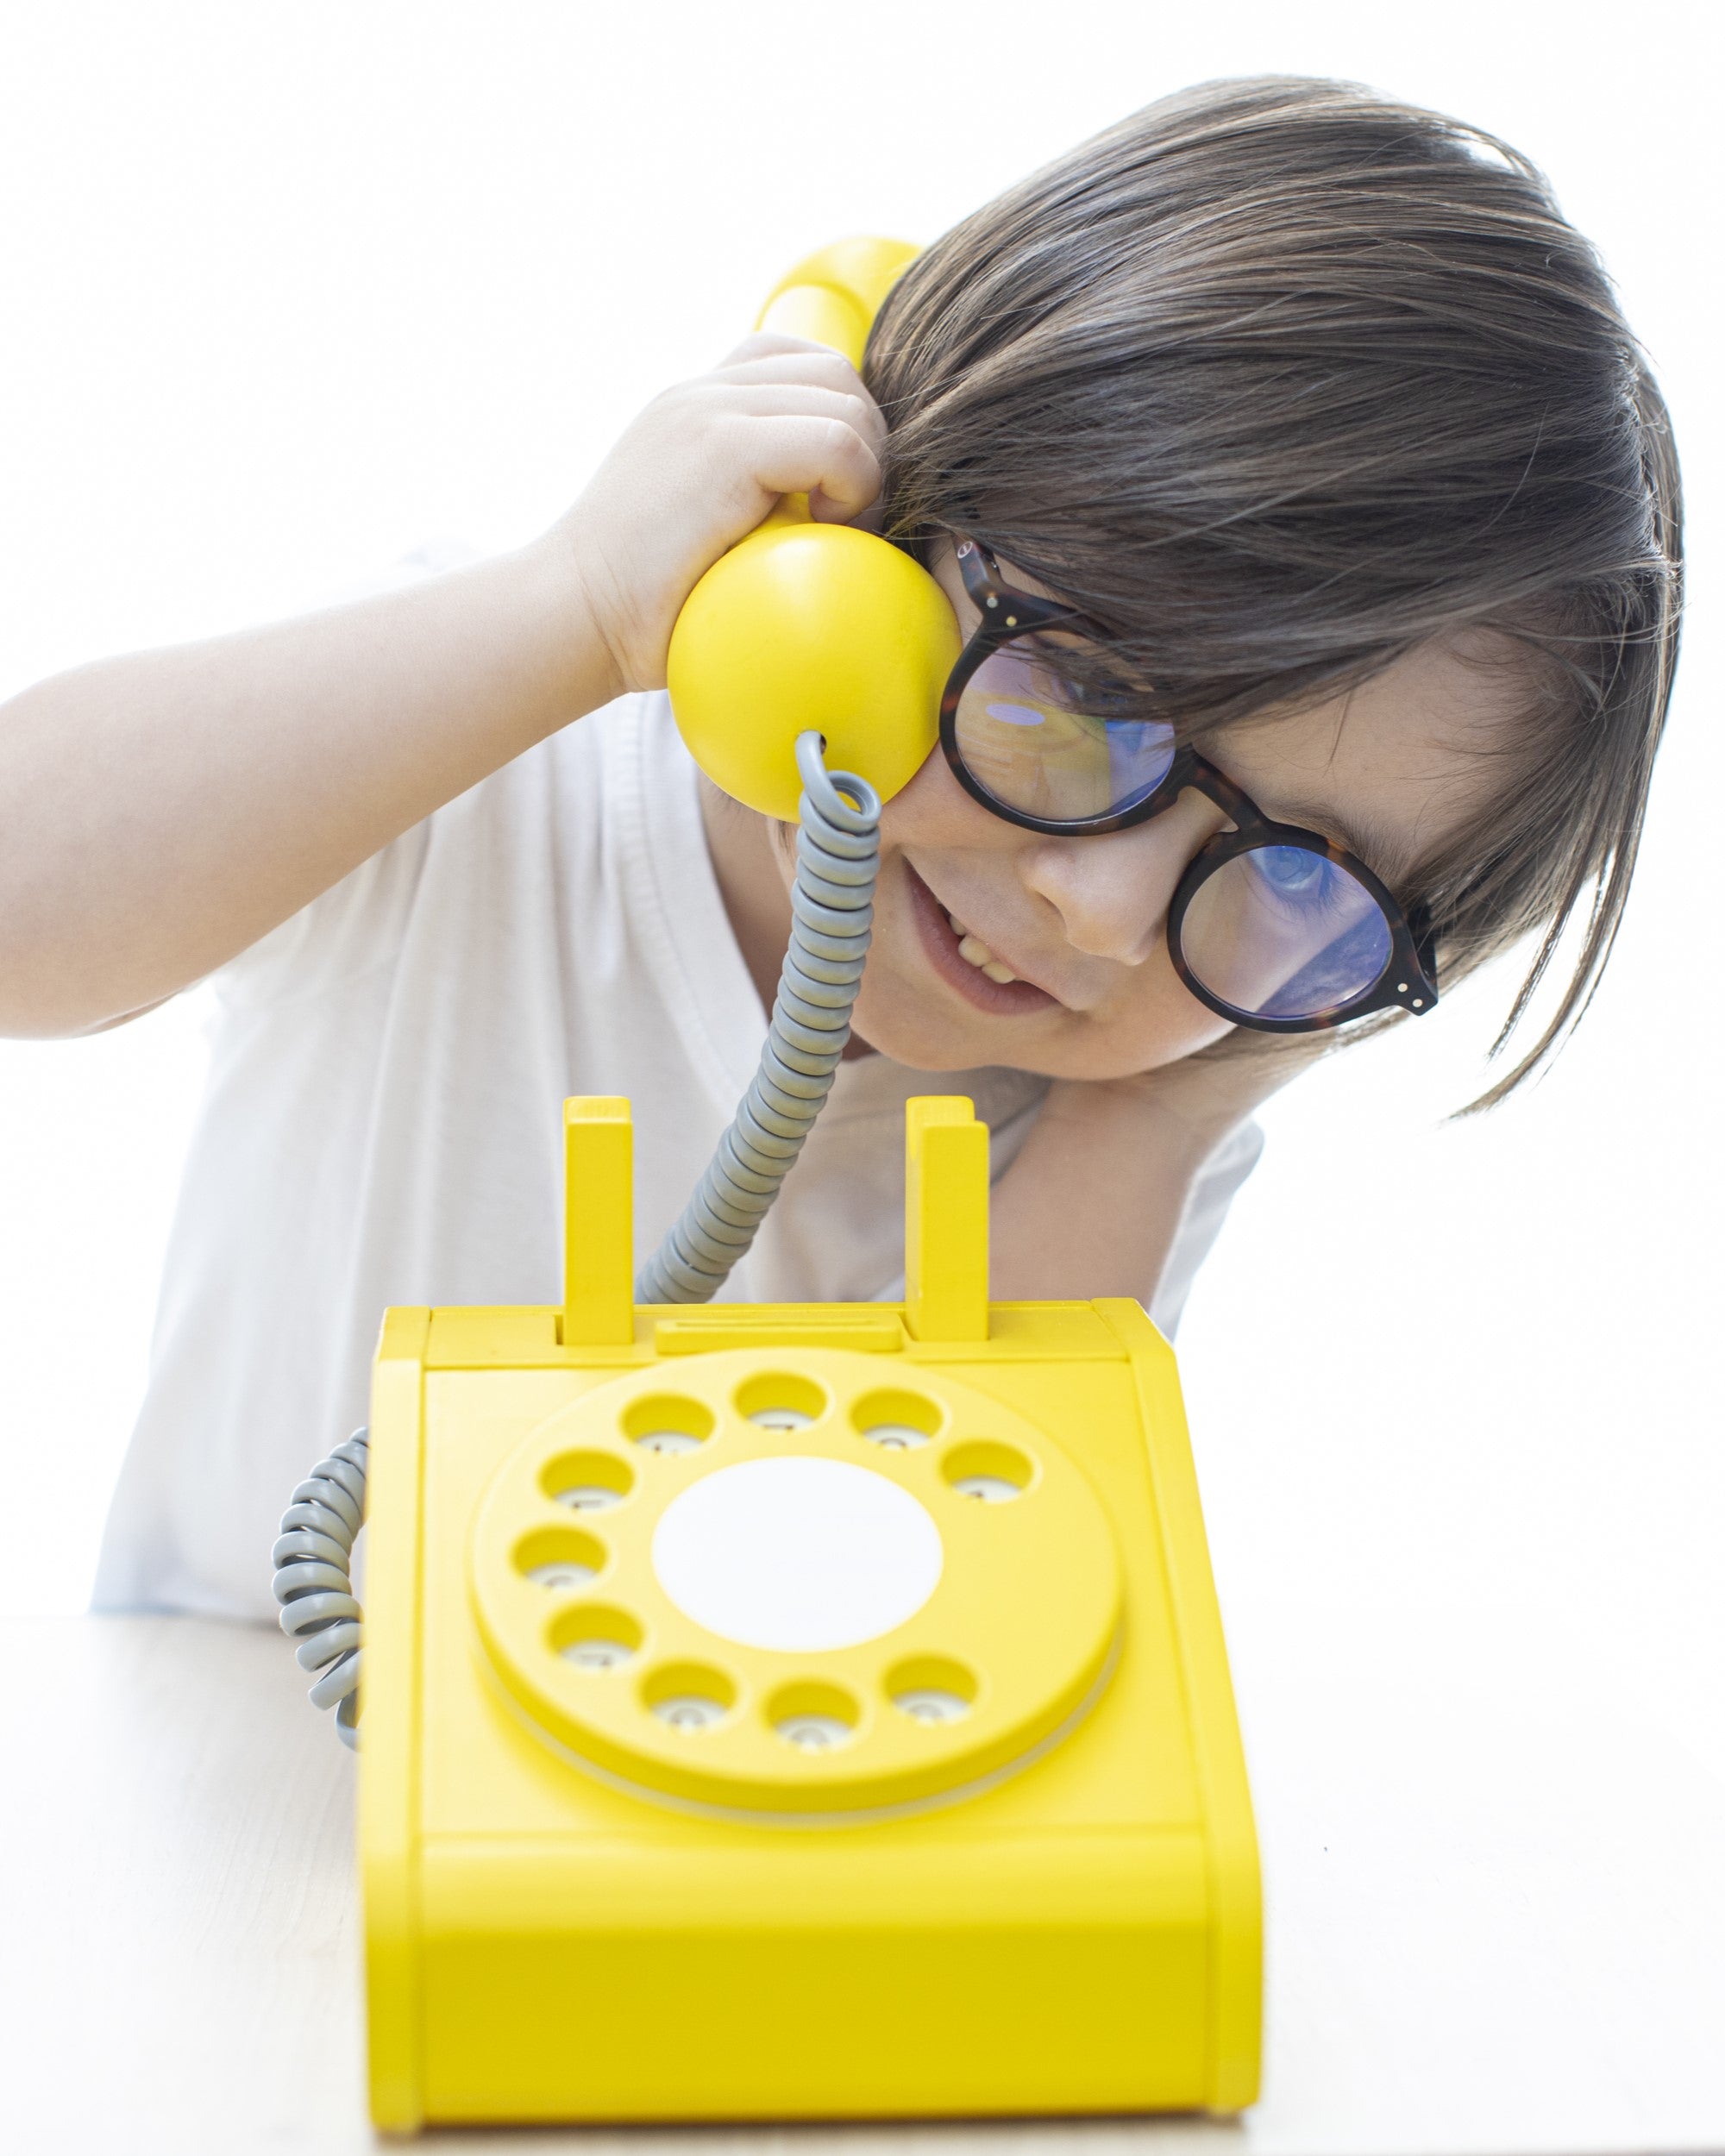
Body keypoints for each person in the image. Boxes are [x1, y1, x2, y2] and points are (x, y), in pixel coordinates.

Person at [0, 78, 1680, 1619]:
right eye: (1083, 699)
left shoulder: (1129, 1094)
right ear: (875, 522)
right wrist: (573, 609)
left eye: (1300, 884)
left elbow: (978, 1596)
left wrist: (1158, 1112)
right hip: (246, 1828)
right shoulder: (487, 756)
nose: (1096, 908)